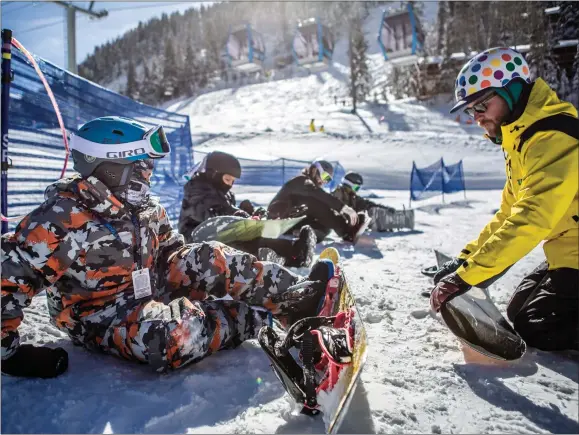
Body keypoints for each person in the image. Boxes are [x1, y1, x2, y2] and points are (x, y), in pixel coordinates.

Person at [0, 116, 335, 379]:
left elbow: (172, 253)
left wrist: (206, 267)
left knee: (208, 254)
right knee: (175, 336)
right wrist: (10, 355)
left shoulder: (145, 208)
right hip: (99, 314)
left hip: (149, 286)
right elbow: (10, 275)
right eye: (143, 167)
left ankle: (294, 296)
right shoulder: (62, 217)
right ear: (112, 167)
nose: (149, 176)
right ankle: (260, 319)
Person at [429, 47, 579, 352]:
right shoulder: (522, 140)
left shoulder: (552, 137)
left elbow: (532, 217)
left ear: (511, 91)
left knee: (536, 325)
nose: (477, 117)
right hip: (567, 247)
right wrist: (466, 260)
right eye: (471, 110)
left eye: (482, 105)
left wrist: (466, 277)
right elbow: (510, 213)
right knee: (518, 310)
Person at [178, 151, 316, 268]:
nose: (230, 185)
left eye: (232, 181)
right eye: (227, 179)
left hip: (216, 239)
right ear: (213, 174)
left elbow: (226, 213)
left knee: (254, 239)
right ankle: (283, 256)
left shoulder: (223, 192)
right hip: (195, 245)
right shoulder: (196, 190)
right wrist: (236, 213)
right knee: (247, 246)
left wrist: (250, 214)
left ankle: (295, 252)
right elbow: (212, 213)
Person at [268, 160, 366, 243]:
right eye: (324, 177)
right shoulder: (302, 181)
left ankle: (304, 232)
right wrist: (343, 208)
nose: (324, 182)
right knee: (317, 203)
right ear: (315, 170)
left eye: (328, 180)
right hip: (278, 218)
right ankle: (347, 231)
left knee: (325, 225)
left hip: (291, 221)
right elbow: (319, 194)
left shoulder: (309, 187)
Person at [332, 172, 396, 232]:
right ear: (348, 184)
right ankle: (379, 223)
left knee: (371, 210)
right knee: (365, 215)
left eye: (358, 188)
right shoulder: (338, 194)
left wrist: (384, 208)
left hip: (351, 223)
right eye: (356, 188)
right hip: (341, 226)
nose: (357, 190)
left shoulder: (353, 197)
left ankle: (385, 220)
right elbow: (337, 212)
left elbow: (366, 204)